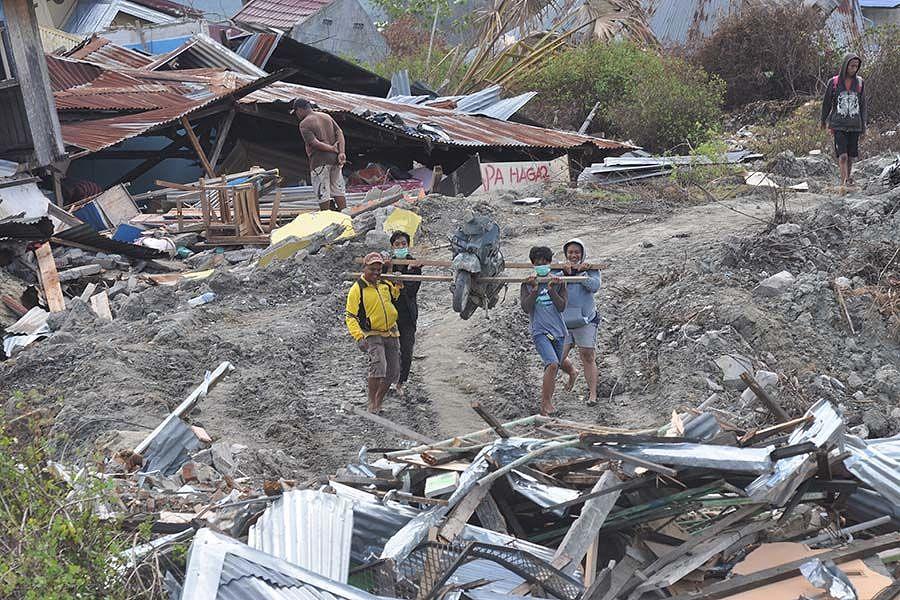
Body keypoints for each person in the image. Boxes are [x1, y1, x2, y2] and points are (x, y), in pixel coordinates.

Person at [346, 252, 402, 413]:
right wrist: (358, 337)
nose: (376, 273)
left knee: (393, 372)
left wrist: (397, 284)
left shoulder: (384, 283)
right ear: (364, 268)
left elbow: (394, 297)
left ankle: (379, 400)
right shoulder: (358, 289)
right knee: (378, 368)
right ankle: (372, 403)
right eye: (372, 269)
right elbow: (350, 316)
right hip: (372, 333)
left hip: (391, 332)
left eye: (379, 269)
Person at [521, 246, 569, 416]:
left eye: (544, 262)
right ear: (533, 263)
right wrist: (534, 290)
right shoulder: (527, 284)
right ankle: (545, 404)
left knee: (553, 369)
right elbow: (526, 308)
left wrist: (551, 289)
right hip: (540, 331)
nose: (541, 265)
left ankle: (548, 402)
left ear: (550, 263)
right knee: (552, 363)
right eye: (537, 262)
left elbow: (562, 307)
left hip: (559, 331)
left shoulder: (559, 282)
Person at [557, 238, 602, 407]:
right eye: (570, 252)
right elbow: (552, 286)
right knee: (557, 358)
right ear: (566, 254)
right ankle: (572, 372)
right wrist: (567, 274)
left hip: (586, 320)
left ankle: (592, 395)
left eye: (577, 252)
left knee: (588, 356)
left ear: (582, 254)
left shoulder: (590, 270)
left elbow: (595, 286)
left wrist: (582, 275)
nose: (574, 255)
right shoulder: (560, 270)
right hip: (564, 321)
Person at [293, 98, 347, 211]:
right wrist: (341, 152)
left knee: (322, 192)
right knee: (338, 189)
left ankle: (325, 219)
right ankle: (346, 215)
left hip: (319, 162)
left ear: (299, 110)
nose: (297, 115)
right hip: (335, 160)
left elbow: (314, 143)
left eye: (296, 112)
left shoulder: (304, 124)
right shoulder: (326, 116)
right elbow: (339, 132)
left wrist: (332, 149)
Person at [821, 53, 866, 187]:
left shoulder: (859, 83)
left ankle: (848, 178)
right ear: (845, 66)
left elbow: (863, 106)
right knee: (843, 156)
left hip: (854, 125)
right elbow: (826, 103)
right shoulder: (833, 83)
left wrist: (864, 126)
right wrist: (823, 120)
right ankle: (843, 182)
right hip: (838, 125)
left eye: (856, 66)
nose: (854, 69)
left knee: (851, 156)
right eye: (852, 66)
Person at [388, 231, 422, 398]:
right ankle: (388, 380)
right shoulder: (388, 264)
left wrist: (401, 282)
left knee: (406, 350)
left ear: (408, 245)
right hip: (389, 315)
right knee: (390, 350)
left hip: (407, 314)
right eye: (397, 244)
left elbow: (413, 290)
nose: (401, 247)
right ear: (392, 246)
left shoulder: (414, 265)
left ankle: (401, 382)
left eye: (403, 244)